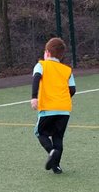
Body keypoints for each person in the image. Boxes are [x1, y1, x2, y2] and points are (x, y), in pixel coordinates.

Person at [31, 37, 75, 174]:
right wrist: (61, 99)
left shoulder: (41, 65)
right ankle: (56, 167)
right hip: (64, 109)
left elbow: (36, 78)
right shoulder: (67, 70)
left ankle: (51, 152)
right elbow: (72, 89)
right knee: (58, 137)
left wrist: (34, 97)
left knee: (39, 132)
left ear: (47, 53)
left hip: (48, 108)